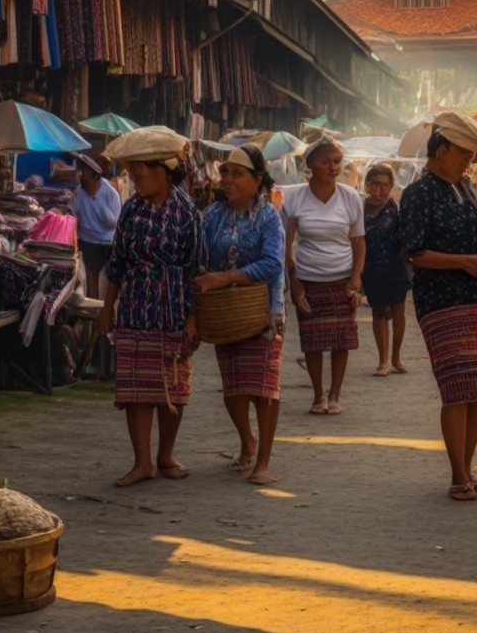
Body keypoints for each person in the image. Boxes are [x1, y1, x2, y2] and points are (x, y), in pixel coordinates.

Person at [400, 110, 477, 502]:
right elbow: (413, 253)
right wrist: (462, 262)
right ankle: (457, 475)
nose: (470, 160)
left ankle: (467, 467)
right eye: (464, 152)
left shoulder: (469, 190)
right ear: (442, 149)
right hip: (441, 300)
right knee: (456, 386)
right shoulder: (418, 193)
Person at [98, 126, 204, 487]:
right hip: (135, 306)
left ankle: (165, 455)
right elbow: (117, 263)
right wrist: (107, 307)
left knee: (173, 387)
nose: (134, 178)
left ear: (162, 169)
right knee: (135, 388)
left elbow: (197, 268)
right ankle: (142, 462)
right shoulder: (131, 210)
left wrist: (193, 318)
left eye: (139, 171)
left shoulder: (188, 212)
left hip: (175, 305)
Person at [197, 144, 285, 485]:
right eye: (225, 173)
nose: (228, 179)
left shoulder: (268, 215)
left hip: (264, 311)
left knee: (264, 388)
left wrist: (227, 276)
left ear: (257, 179)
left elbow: (273, 263)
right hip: (224, 313)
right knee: (233, 388)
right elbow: (200, 256)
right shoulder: (211, 215)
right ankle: (247, 440)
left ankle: (263, 461)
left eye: (237, 173)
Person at [284, 138, 366, 416]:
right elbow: (286, 246)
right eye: (325, 161)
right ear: (311, 166)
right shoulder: (294, 198)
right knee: (313, 342)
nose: (333, 167)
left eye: (336, 161)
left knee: (341, 341)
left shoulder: (350, 197)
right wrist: (294, 284)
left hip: (342, 281)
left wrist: (356, 278)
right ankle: (318, 394)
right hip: (308, 281)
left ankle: (335, 395)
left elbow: (359, 242)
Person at [361, 163, 411, 376]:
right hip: (372, 266)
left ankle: (396, 357)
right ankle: (383, 361)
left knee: (399, 312)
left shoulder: (395, 207)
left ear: (391, 186)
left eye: (384, 185)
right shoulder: (359, 208)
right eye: (376, 185)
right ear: (368, 185)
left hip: (395, 265)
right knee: (379, 312)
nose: (379, 190)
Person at [73, 154, 122, 296]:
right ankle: (93, 314)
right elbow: (74, 214)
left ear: (93, 175)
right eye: (80, 171)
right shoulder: (79, 192)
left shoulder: (110, 193)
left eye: (84, 172)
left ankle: (105, 310)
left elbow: (112, 224)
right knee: (91, 279)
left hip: (107, 243)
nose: (81, 176)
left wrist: (95, 199)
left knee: (108, 283)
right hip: (87, 242)